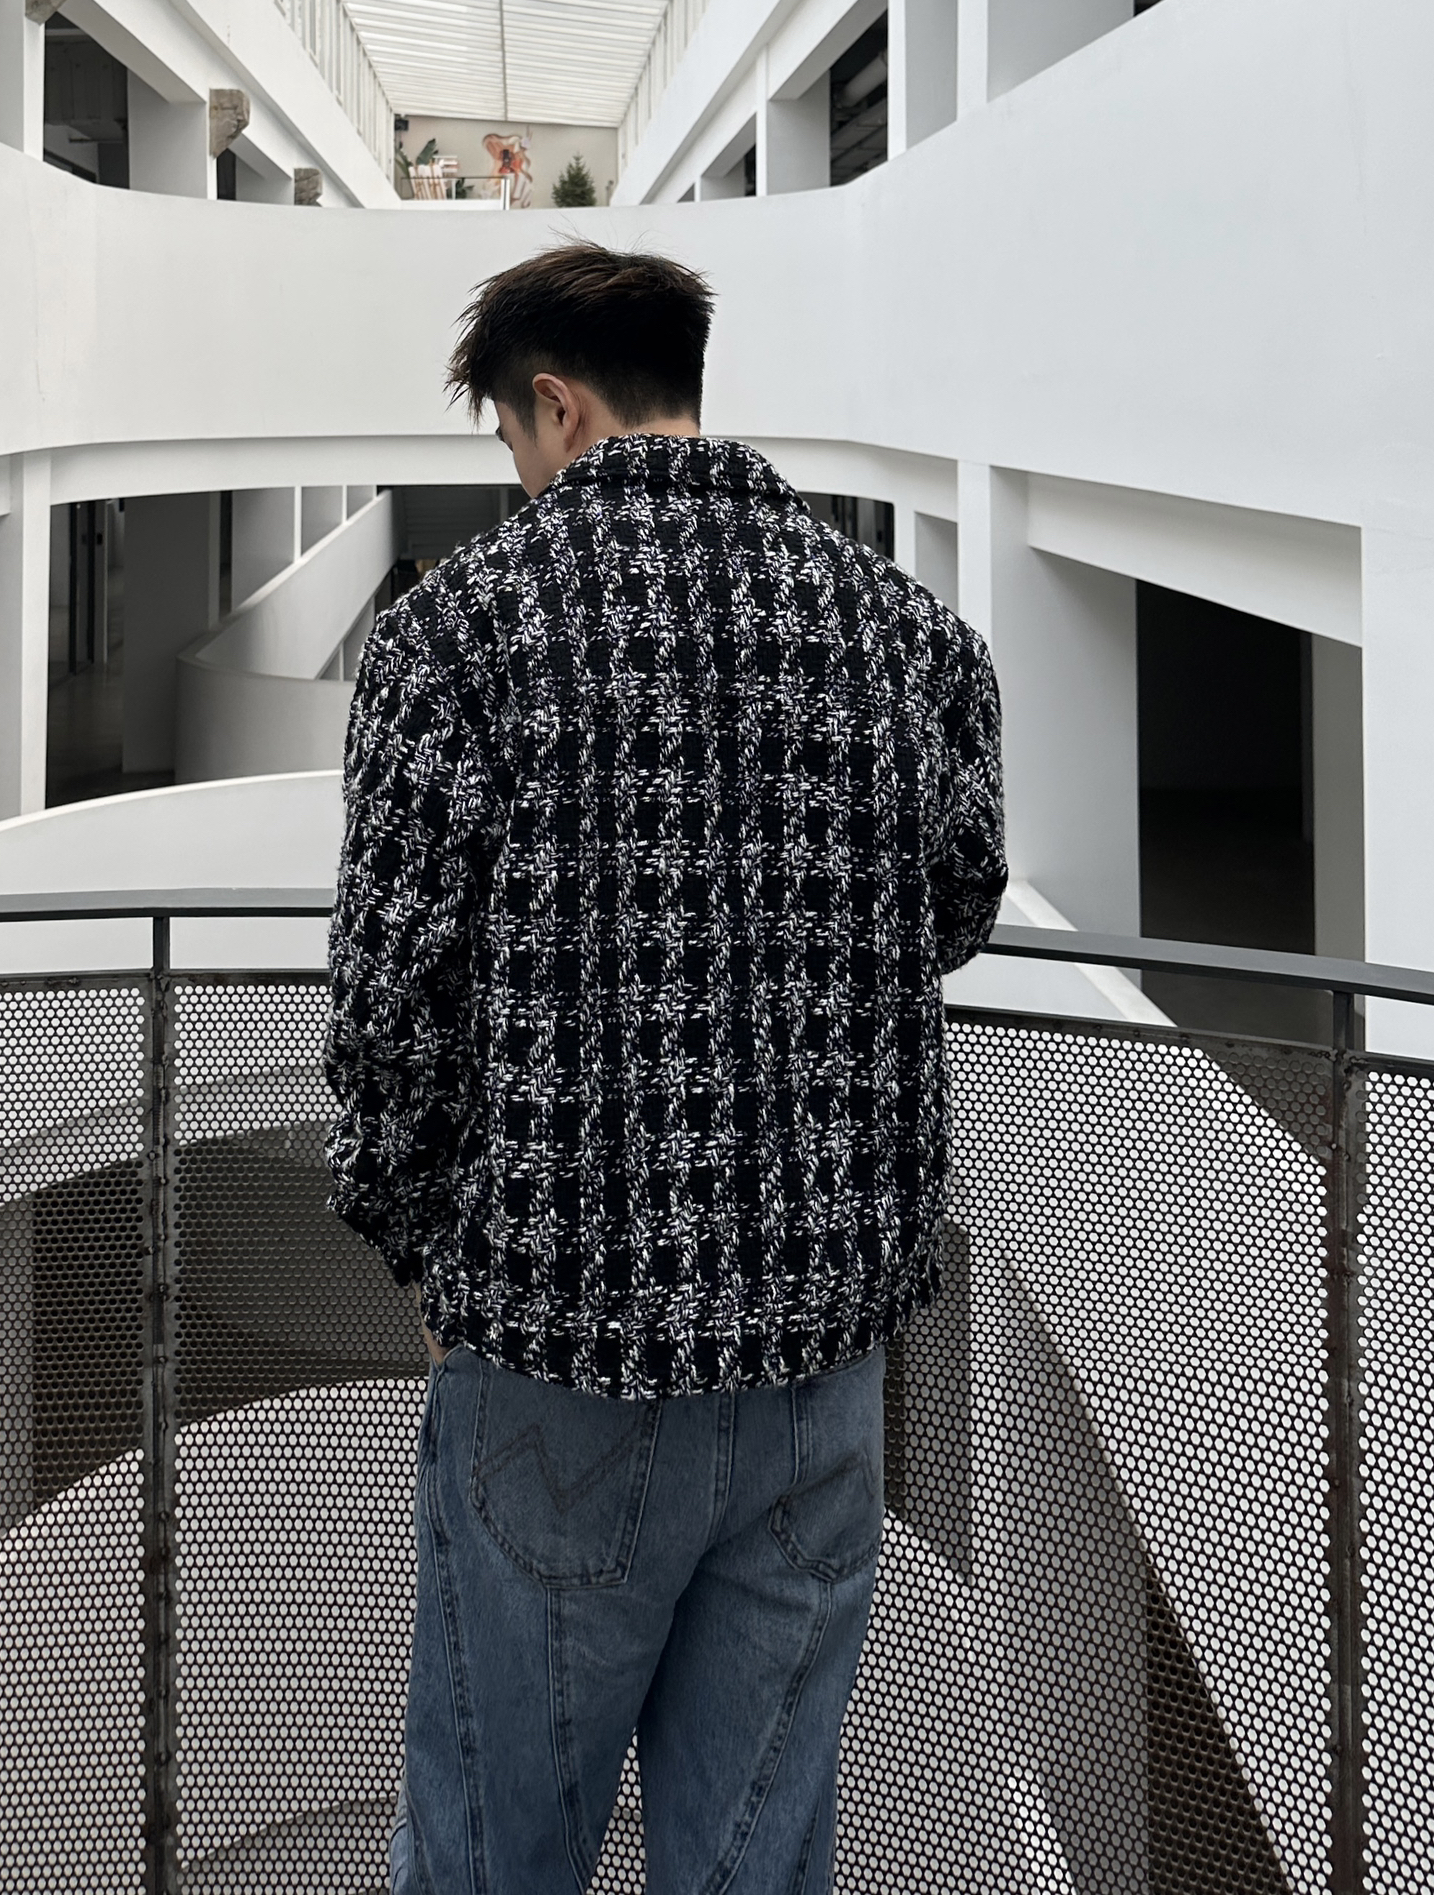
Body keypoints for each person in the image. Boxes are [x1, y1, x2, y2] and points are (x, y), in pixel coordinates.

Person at [324, 240, 1007, 1894]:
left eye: (508, 434)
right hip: (820, 1361)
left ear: (556, 406)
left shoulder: (455, 635)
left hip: (557, 1345)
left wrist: (428, 1254)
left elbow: (388, 1008)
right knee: (756, 1858)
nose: (515, 469)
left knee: (493, 1854)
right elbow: (955, 910)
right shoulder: (906, 633)